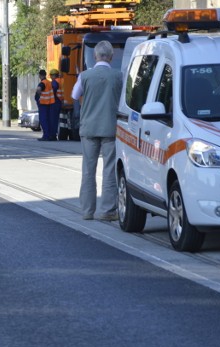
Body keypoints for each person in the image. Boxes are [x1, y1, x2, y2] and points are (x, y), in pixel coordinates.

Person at [71, 40, 122, 221]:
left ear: (94, 56)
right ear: (111, 57)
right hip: (110, 128)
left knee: (88, 170)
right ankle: (107, 211)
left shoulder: (84, 76)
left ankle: (87, 211)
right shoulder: (118, 76)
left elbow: (74, 95)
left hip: (89, 128)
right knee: (109, 169)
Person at [35, 69, 56, 141]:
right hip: (49, 103)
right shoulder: (49, 82)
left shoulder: (43, 83)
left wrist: (39, 95)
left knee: (43, 120)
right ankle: (50, 135)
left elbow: (39, 89)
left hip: (43, 104)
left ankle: (46, 136)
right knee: (49, 120)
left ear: (40, 75)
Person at [49, 69, 63, 141]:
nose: (50, 77)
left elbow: (52, 92)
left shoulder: (54, 82)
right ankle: (53, 134)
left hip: (55, 102)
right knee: (55, 119)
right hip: (59, 101)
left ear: (53, 75)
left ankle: (53, 135)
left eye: (51, 75)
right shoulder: (60, 80)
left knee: (53, 120)